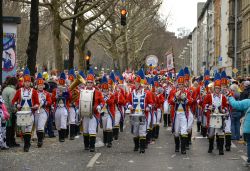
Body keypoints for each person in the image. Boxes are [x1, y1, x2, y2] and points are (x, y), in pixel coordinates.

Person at [12, 67, 40, 152]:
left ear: (30, 82)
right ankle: (27, 142)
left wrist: (35, 106)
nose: (27, 83)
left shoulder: (34, 91)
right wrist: (17, 105)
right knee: (23, 130)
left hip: (30, 112)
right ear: (23, 82)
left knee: (28, 129)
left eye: (28, 82)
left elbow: (37, 103)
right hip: (21, 113)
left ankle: (26, 146)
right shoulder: (19, 91)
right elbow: (13, 101)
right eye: (26, 82)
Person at [127, 69, 153, 153]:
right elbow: (127, 102)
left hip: (142, 114)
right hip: (134, 114)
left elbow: (151, 103)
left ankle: (142, 148)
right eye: (135, 83)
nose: (136, 84)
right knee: (135, 132)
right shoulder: (131, 93)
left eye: (137, 83)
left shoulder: (147, 93)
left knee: (142, 131)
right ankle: (136, 146)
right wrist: (129, 106)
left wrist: (148, 107)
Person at [203, 73, 228, 155]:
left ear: (220, 89)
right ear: (214, 89)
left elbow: (225, 106)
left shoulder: (223, 97)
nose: (217, 89)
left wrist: (223, 110)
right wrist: (209, 107)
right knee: (211, 133)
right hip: (211, 117)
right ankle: (210, 147)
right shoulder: (209, 96)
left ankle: (221, 149)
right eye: (216, 88)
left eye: (218, 88)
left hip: (220, 117)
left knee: (220, 133)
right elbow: (204, 104)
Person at [168, 69, 192, 154]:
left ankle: (183, 148)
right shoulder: (173, 91)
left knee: (184, 130)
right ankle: (177, 146)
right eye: (179, 84)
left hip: (184, 114)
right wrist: (176, 98)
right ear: (177, 84)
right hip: (176, 114)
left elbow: (190, 102)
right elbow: (170, 102)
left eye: (182, 84)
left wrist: (184, 98)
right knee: (177, 131)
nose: (181, 86)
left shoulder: (187, 92)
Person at [81, 69, 105, 152]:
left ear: (93, 83)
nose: (89, 84)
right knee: (85, 129)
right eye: (88, 82)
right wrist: (78, 108)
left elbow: (102, 101)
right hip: (85, 113)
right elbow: (78, 101)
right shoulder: (82, 91)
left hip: (94, 113)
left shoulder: (97, 92)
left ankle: (92, 146)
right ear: (86, 83)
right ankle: (86, 145)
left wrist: (99, 106)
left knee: (92, 129)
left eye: (91, 82)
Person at [227, 93, 250, 166]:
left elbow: (236, 104)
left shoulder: (248, 102)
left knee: (249, 143)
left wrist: (230, 97)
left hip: (248, 128)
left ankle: (249, 161)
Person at [51, 72, 71, 142]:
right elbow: (52, 99)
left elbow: (70, 98)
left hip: (64, 108)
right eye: (60, 83)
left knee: (63, 122)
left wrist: (65, 93)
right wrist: (56, 96)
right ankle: (60, 136)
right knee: (58, 123)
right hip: (57, 108)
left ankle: (62, 137)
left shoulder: (67, 90)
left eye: (62, 83)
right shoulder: (55, 90)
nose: (61, 84)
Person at [34, 73, 52, 147]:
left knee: (41, 126)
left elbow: (50, 102)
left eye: (42, 85)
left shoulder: (46, 93)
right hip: (35, 111)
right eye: (39, 85)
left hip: (43, 111)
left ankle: (40, 141)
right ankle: (39, 138)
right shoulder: (34, 93)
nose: (41, 86)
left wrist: (45, 103)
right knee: (37, 126)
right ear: (37, 86)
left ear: (43, 86)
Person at [2, 77, 20, 148]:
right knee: (11, 128)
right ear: (15, 83)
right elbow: (12, 103)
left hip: (4, 111)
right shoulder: (12, 91)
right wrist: (15, 110)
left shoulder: (5, 89)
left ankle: (8, 141)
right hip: (9, 112)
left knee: (6, 128)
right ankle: (10, 142)